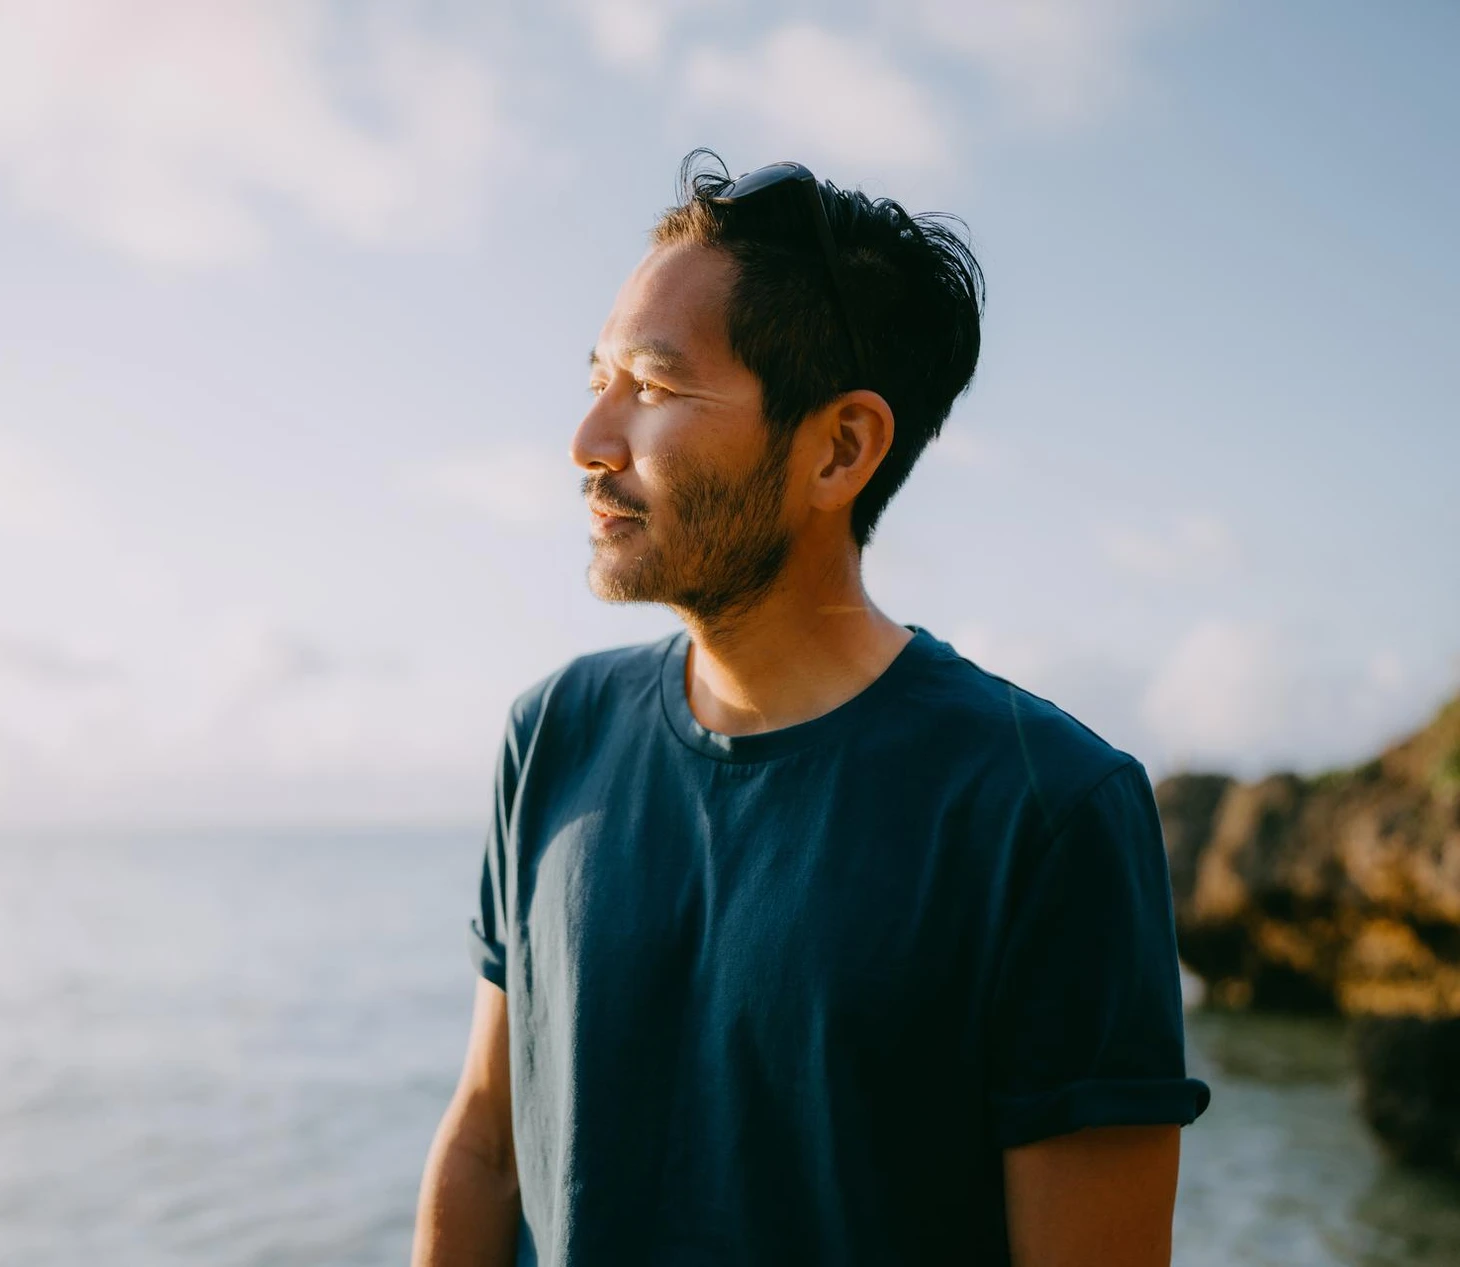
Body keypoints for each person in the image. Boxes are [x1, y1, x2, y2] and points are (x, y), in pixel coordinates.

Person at [410, 152, 1209, 1266]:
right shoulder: (553, 734)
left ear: (838, 448)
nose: (589, 441)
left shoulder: (1047, 809)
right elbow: (488, 1150)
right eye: (596, 378)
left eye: (650, 387)